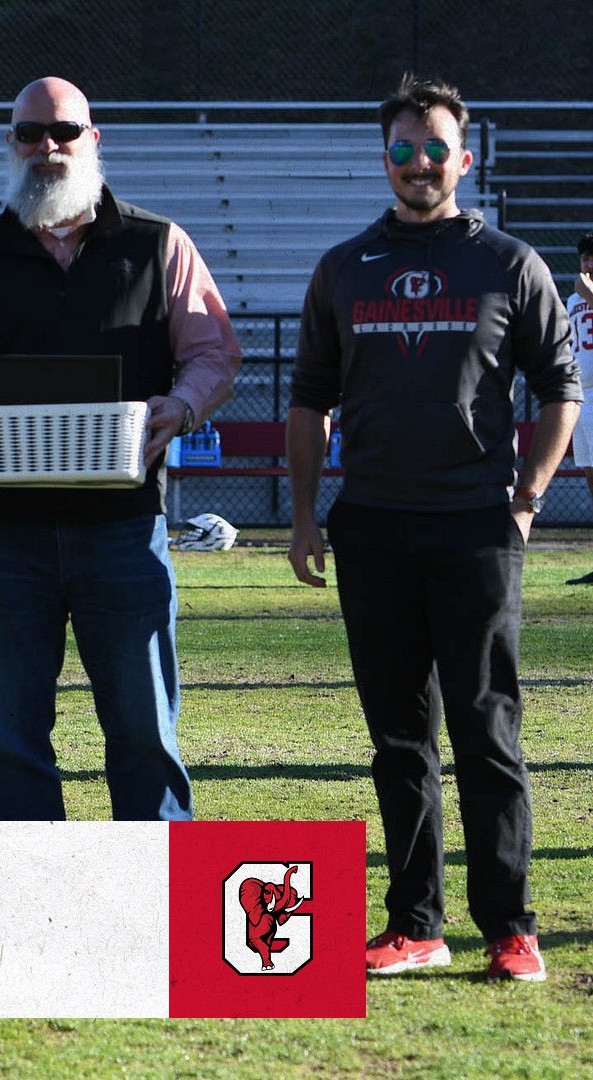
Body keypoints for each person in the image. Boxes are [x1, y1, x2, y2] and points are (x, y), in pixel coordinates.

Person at [286, 76, 582, 983]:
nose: (420, 165)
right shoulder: (345, 266)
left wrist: (526, 497)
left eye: (435, 149)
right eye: (404, 151)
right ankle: (415, 922)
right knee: (398, 741)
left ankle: (510, 927)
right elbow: (308, 399)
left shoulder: (509, 262)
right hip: (372, 525)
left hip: (475, 528)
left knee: (487, 732)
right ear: (387, 160)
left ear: (465, 156)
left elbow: (560, 388)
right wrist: (302, 515)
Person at [0, 77, 241, 823]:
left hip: (124, 530)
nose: (47, 147)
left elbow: (215, 354)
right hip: (0, 536)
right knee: (12, 744)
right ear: (10, 144)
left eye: (63, 131)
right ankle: (37, 918)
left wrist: (180, 406)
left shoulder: (158, 244)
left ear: (93, 138)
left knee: (146, 735)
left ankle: (155, 911)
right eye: (29, 133)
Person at [565, 234, 593, 584]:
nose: (589, 265)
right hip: (582, 396)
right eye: (586, 258)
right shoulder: (573, 299)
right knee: (591, 480)